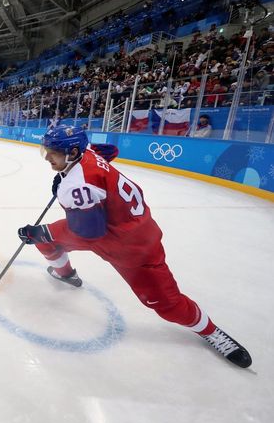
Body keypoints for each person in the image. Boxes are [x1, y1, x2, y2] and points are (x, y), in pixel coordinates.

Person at [17, 125, 251, 368]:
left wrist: (43, 231)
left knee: (166, 305)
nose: (47, 158)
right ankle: (66, 274)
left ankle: (210, 331)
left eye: (53, 152)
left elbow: (88, 232)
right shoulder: (86, 154)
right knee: (47, 240)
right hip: (116, 227)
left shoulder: (79, 186)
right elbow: (109, 151)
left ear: (73, 152)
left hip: (131, 248)